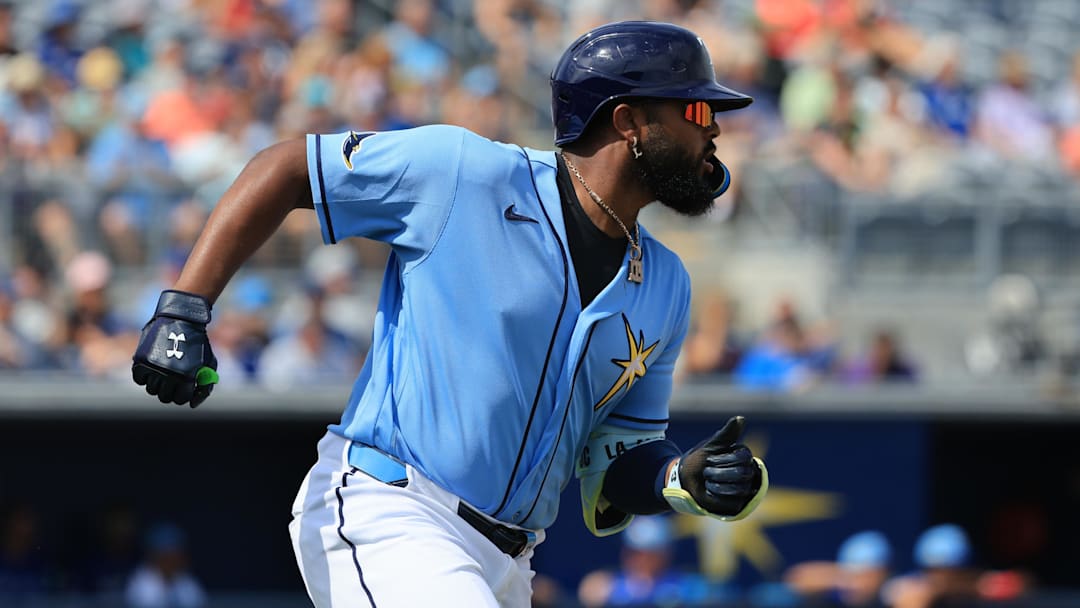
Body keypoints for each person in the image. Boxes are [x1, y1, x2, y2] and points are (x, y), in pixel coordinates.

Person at [130, 20, 769, 607]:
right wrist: (185, 308)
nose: (714, 127)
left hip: (511, 561)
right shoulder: (468, 174)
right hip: (395, 510)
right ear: (629, 121)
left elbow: (614, 461)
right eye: (697, 108)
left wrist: (676, 478)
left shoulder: (665, 283)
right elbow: (289, 166)